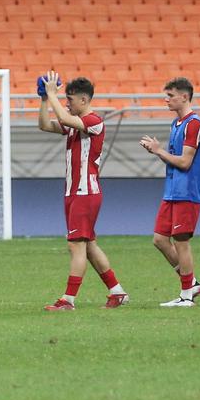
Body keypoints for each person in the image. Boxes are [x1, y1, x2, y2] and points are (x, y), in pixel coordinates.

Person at [36, 71, 128, 311]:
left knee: (76, 245)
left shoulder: (94, 122)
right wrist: (45, 100)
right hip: (74, 192)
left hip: (85, 192)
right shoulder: (76, 126)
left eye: (70, 99)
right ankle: (117, 291)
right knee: (88, 246)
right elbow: (45, 125)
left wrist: (52, 94)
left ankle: (68, 300)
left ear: (84, 100)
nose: (67, 103)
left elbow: (65, 119)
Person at [139, 77, 200, 307]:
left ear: (184, 96)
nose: (166, 100)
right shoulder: (176, 124)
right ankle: (192, 282)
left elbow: (186, 162)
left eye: (170, 95)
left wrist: (158, 151)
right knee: (159, 239)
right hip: (171, 191)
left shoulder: (194, 124)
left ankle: (187, 295)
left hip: (187, 192)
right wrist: (158, 151)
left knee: (181, 242)